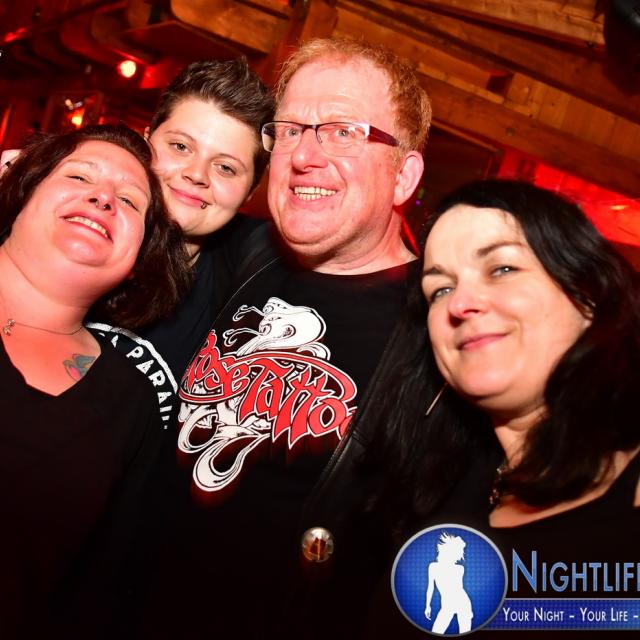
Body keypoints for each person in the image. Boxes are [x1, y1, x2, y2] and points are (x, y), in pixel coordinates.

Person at [143, 37, 431, 638]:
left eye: (344, 132)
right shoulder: (245, 252)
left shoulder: (436, 338)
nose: (305, 156)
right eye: (292, 129)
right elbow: (166, 202)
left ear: (403, 175)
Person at [360, 179, 640, 638]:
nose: (461, 303)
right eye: (440, 290)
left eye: (502, 268)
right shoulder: (436, 483)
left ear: (587, 295)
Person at [0, 124, 190, 638]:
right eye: (79, 176)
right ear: (21, 194)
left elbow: (98, 590)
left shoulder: (132, 400)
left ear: (137, 262)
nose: (103, 198)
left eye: (129, 202)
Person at [87, 58, 275, 426]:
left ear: (250, 192)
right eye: (180, 146)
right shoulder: (67, 232)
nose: (196, 174)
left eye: (226, 167)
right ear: (144, 143)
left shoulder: (241, 295)